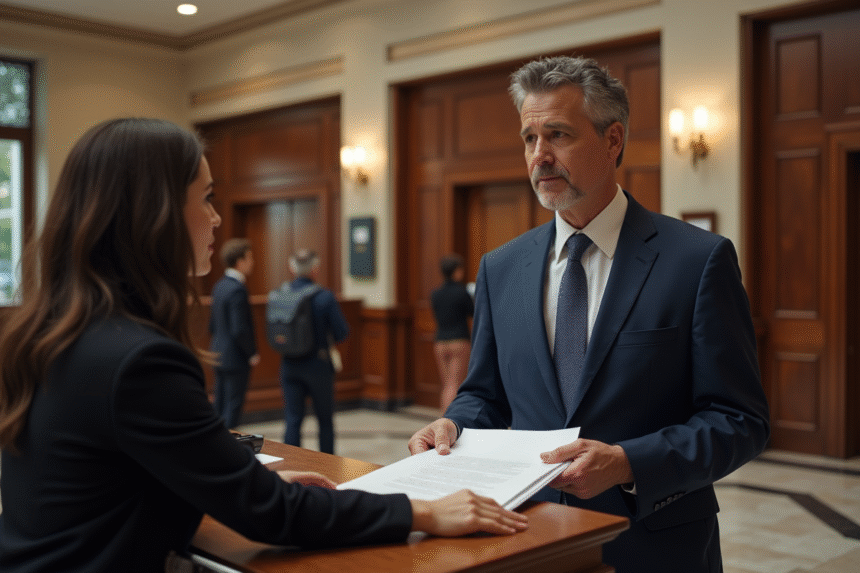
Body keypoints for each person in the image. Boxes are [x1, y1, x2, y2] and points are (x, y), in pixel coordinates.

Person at [0, 118, 528, 573]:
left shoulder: (54, 332)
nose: (216, 219)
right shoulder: (137, 359)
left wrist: (241, 474)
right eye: (206, 199)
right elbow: (267, 513)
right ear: (153, 214)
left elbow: (126, 471)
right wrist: (424, 511)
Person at [408, 56, 770, 572]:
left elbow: (741, 421)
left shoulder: (697, 261)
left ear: (613, 140)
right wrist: (452, 426)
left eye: (558, 135)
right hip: (527, 537)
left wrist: (629, 463)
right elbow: (484, 394)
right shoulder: (501, 268)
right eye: (529, 140)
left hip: (654, 544)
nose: (540, 156)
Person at [279, 250, 346, 454]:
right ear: (315, 269)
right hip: (318, 365)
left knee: (292, 419)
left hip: (288, 364)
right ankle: (327, 467)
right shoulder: (324, 296)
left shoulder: (281, 294)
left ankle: (291, 464)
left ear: (292, 269)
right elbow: (341, 332)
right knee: (324, 420)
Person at [210, 238, 261, 428]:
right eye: (249, 258)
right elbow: (239, 328)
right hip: (235, 357)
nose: (252, 262)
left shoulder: (219, 286)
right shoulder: (237, 289)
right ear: (239, 261)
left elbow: (212, 325)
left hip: (218, 353)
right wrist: (252, 353)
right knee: (232, 408)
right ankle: (227, 452)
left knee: (219, 405)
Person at [430, 254, 474, 413]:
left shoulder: (435, 294)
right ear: (456, 271)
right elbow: (474, 312)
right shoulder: (462, 292)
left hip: (440, 341)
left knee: (447, 383)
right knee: (454, 384)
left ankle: (446, 417)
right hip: (458, 341)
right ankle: (447, 419)